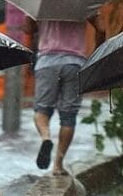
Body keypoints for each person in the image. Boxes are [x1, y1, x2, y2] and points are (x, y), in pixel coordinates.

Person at [24, 14, 106, 175]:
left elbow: (28, 29)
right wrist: (98, 51)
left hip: (47, 62)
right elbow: (101, 28)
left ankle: (46, 137)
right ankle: (58, 165)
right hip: (74, 63)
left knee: (41, 110)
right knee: (68, 116)